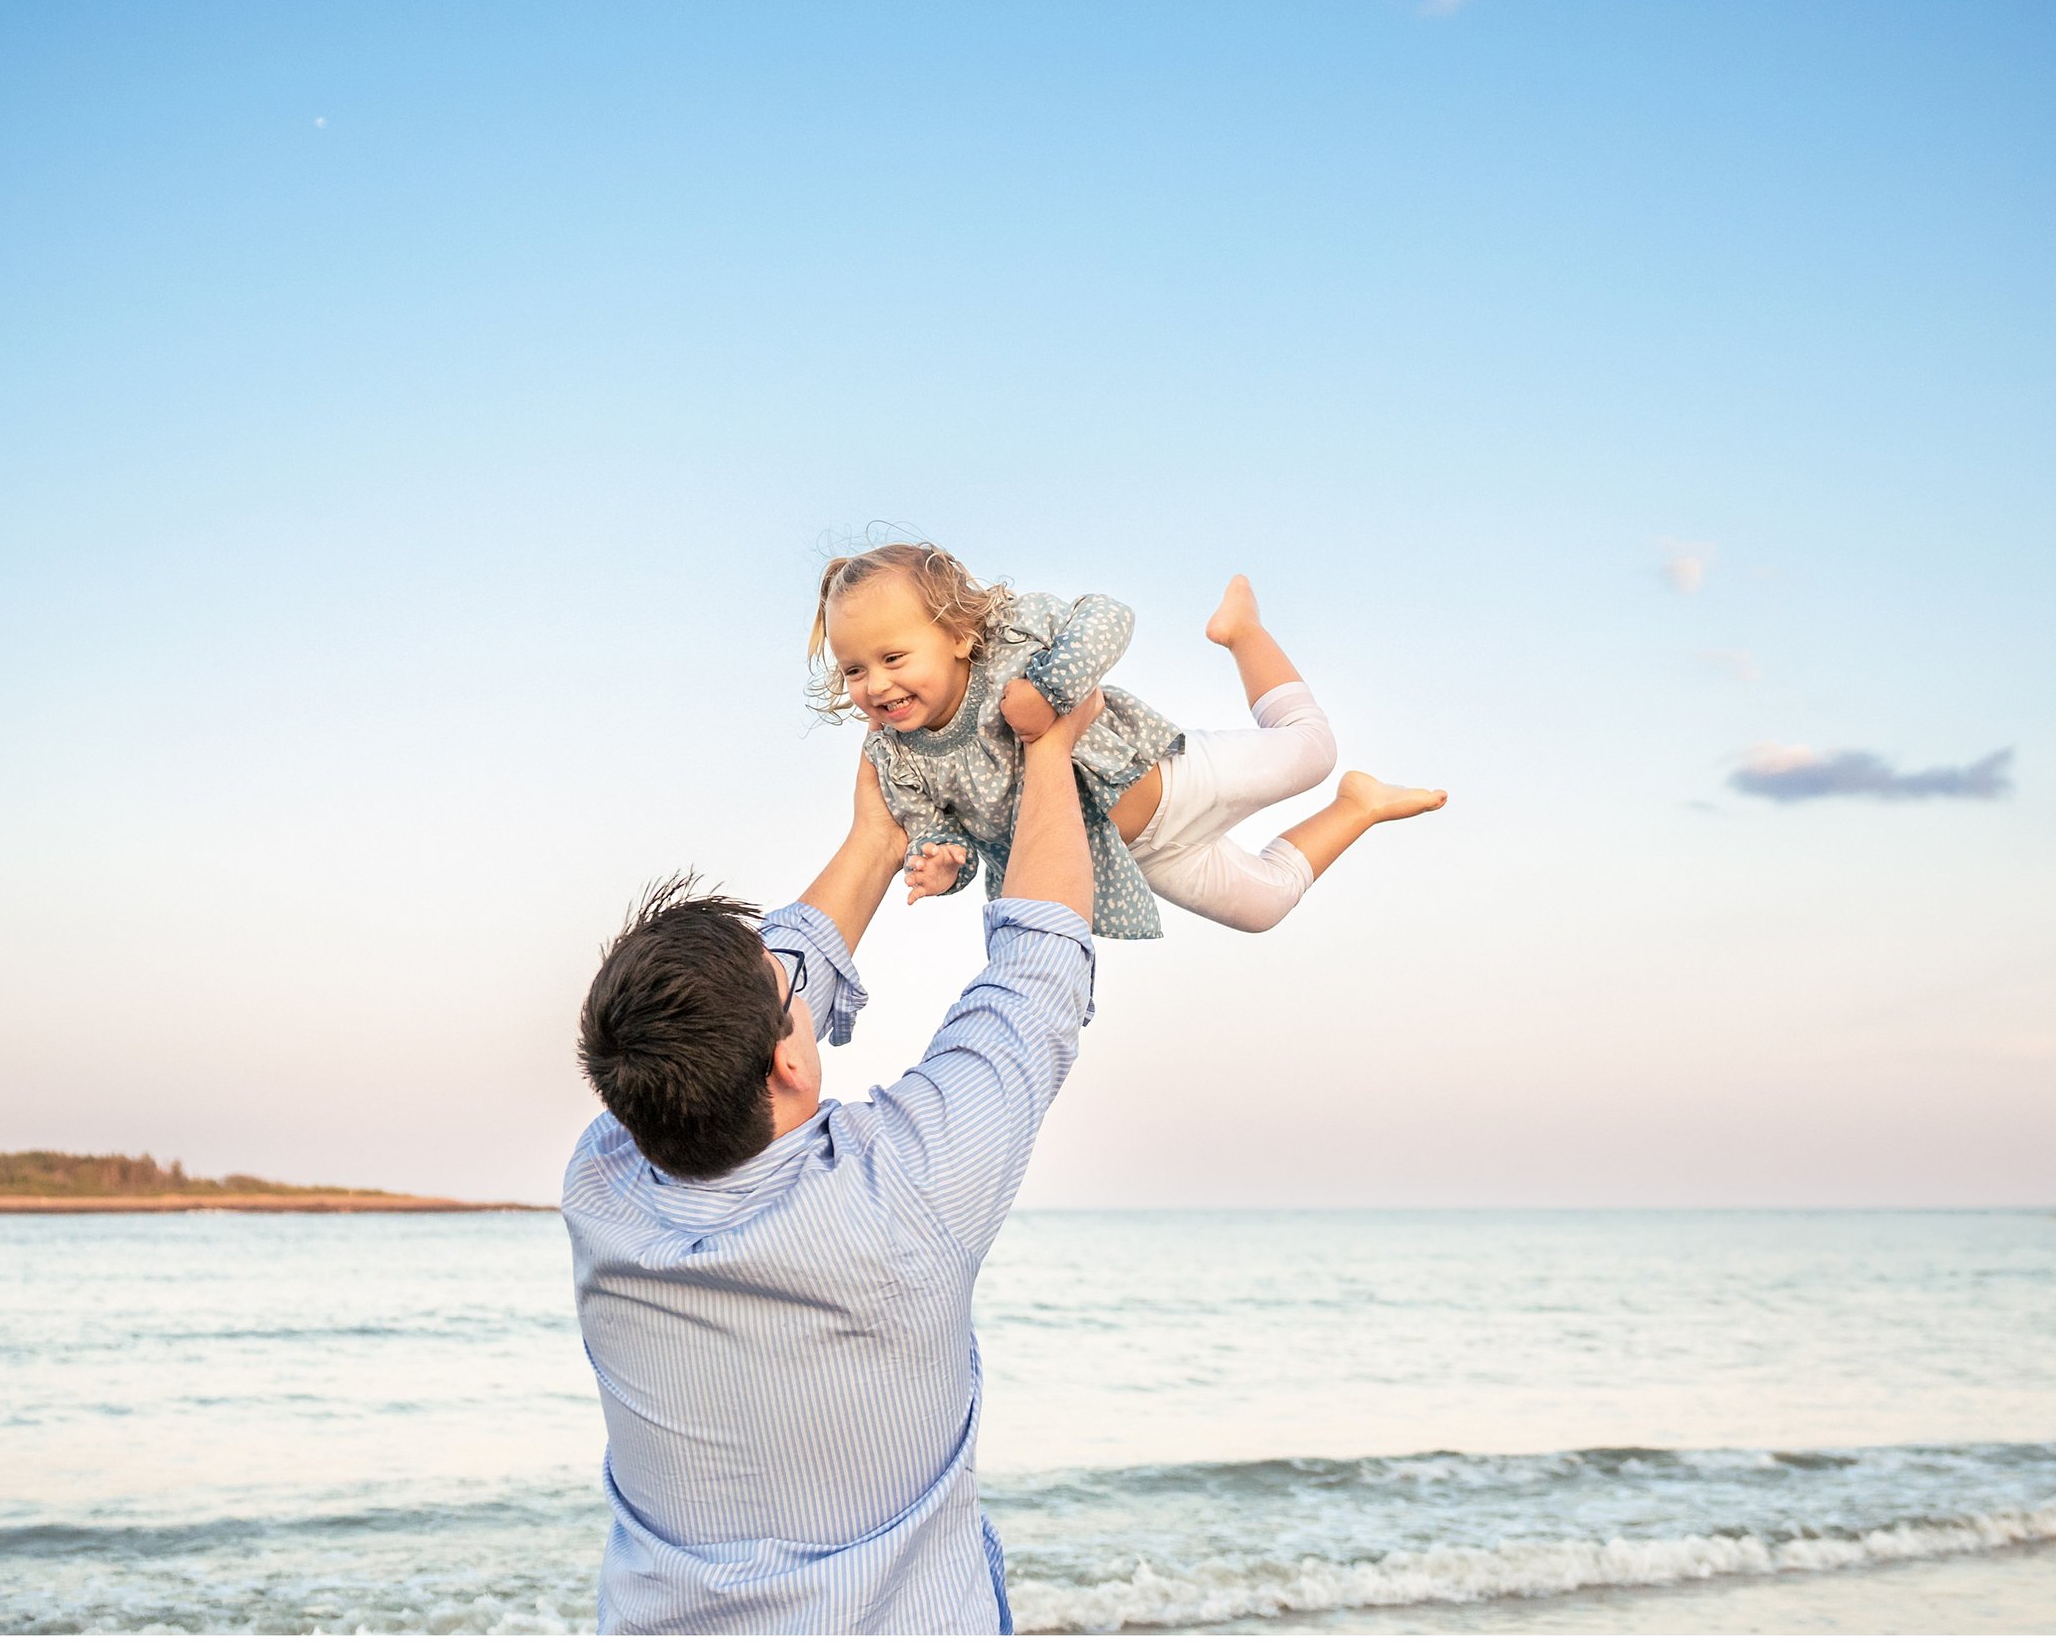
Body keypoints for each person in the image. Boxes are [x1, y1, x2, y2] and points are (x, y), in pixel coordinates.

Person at [564, 686, 1106, 1634]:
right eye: (790, 990)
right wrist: (1051, 750)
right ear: (789, 1060)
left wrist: (875, 837)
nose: (797, 972)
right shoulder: (902, 1190)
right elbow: (1036, 974)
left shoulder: (604, 1176)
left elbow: (767, 984)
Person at [808, 543, 1446, 941]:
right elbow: (933, 835)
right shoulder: (896, 758)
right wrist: (943, 863)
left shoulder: (1009, 645)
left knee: (1313, 750)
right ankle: (1357, 805)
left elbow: (1108, 615)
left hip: (1170, 781)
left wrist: (1051, 686)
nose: (875, 684)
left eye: (893, 657)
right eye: (855, 670)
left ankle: (1242, 631)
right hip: (1134, 855)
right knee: (1265, 907)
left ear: (956, 634)